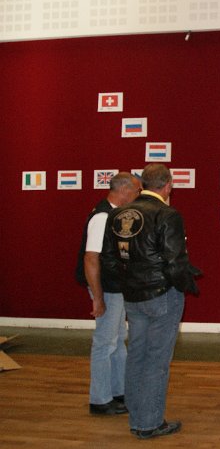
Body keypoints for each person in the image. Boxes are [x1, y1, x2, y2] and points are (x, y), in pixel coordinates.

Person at [102, 163, 201, 440]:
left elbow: (108, 259)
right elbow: (175, 260)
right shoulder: (167, 214)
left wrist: (129, 282)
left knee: (136, 356)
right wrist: (184, 285)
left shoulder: (118, 213)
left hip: (133, 296)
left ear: (142, 183)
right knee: (157, 360)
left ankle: (137, 418)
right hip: (162, 295)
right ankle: (149, 423)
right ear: (168, 186)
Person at [75, 171, 141, 415]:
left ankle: (118, 391)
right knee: (105, 342)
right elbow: (90, 259)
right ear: (124, 190)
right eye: (137, 191)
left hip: (116, 287)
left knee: (118, 339)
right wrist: (98, 298)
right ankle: (100, 399)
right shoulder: (102, 217)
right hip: (107, 289)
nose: (138, 195)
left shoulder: (114, 215)